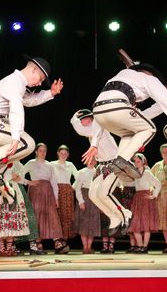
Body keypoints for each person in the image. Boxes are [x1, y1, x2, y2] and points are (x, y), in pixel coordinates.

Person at [82, 64, 167, 231]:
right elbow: (164, 99)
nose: (142, 101)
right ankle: (123, 160)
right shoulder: (149, 79)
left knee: (128, 134)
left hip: (98, 110)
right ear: (148, 74)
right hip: (117, 112)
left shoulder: (120, 75)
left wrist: (94, 143)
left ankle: (117, 216)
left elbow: (101, 119)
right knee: (150, 128)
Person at [0, 55, 63, 186]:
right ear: (34, 70)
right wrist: (15, 137)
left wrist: (51, 93)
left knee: (26, 145)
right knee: (27, 143)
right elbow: (16, 109)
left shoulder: (17, 83)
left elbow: (28, 100)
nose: (39, 84)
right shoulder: (15, 82)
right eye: (41, 79)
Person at [70, 109, 126, 250]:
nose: (82, 124)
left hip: (114, 163)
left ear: (88, 119)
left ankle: (124, 215)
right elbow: (77, 128)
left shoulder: (98, 124)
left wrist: (94, 146)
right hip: (102, 165)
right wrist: (74, 116)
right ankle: (114, 216)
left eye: (83, 121)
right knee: (92, 194)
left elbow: (97, 133)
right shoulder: (88, 129)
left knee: (103, 194)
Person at [22, 143, 69, 254]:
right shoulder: (31, 163)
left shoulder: (49, 165)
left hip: (48, 192)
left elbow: (53, 181)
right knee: (37, 217)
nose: (42, 153)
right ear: (36, 152)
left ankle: (57, 243)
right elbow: (20, 174)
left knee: (52, 216)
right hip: (36, 192)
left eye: (44, 151)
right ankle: (36, 245)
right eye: (40, 150)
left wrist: (56, 198)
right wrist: (28, 182)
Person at [127, 153, 161, 253]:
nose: (136, 163)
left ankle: (144, 247)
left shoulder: (147, 173)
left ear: (143, 162)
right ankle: (140, 245)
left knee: (146, 224)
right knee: (135, 224)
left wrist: (154, 195)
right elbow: (130, 183)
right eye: (135, 162)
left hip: (146, 198)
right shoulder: (135, 173)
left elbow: (158, 184)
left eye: (138, 161)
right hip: (137, 198)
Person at [151, 143, 167, 253]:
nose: (165, 154)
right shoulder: (157, 166)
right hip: (161, 195)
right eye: (163, 152)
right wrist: (152, 188)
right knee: (164, 220)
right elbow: (150, 179)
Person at [50, 145, 78, 242]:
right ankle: (58, 240)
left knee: (67, 214)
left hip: (67, 191)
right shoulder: (52, 164)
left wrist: (72, 187)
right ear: (58, 153)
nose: (63, 155)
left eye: (65, 153)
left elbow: (78, 177)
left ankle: (65, 240)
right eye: (61, 153)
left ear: (68, 155)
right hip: (55, 190)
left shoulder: (70, 164)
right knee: (57, 214)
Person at [73, 158, 100, 254]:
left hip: (94, 198)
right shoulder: (81, 172)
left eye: (93, 160)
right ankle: (85, 247)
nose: (92, 161)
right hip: (84, 197)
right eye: (90, 160)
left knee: (92, 224)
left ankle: (89, 246)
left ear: (96, 161)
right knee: (84, 224)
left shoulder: (98, 172)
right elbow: (77, 188)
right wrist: (80, 201)